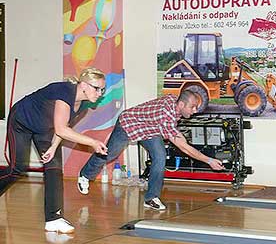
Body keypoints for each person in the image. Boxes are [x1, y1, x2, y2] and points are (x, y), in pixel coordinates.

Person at [78, 90, 225, 210]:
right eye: (192, 107)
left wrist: (180, 137)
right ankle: (85, 174)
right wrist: (209, 160)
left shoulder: (175, 102)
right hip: (128, 124)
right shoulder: (166, 115)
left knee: (160, 157)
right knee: (109, 154)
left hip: (149, 129)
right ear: (180, 104)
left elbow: (178, 136)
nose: (195, 110)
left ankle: (151, 198)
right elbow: (183, 147)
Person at [2, 67, 108, 233]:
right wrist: (92, 142)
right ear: (83, 85)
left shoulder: (82, 106)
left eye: (103, 89)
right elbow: (61, 129)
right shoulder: (64, 90)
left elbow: (63, 126)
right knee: (17, 169)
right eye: (97, 88)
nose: (100, 93)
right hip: (21, 122)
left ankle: (53, 219)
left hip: (45, 129)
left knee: (54, 168)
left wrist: (53, 146)